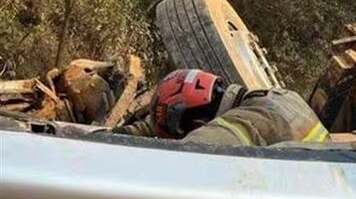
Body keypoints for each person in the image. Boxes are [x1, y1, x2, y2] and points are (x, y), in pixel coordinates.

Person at [116, 68, 329, 147]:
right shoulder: (276, 98)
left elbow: (177, 162)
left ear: (198, 124)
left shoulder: (231, 129)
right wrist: (134, 130)